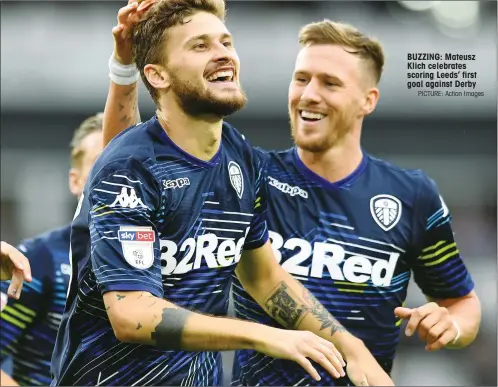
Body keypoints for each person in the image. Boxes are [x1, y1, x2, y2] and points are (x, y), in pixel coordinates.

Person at [104, 4, 481, 386]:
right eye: (301, 79)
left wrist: (451, 326)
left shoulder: (412, 195)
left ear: (368, 100)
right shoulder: (248, 173)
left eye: (329, 83)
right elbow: (132, 159)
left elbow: (463, 304)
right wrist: (123, 67)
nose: (309, 95)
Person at [51, 1, 393, 386]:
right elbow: (131, 313)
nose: (223, 54)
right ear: (158, 75)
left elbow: (263, 277)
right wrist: (262, 335)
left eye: (225, 42)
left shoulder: (241, 156)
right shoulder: (128, 167)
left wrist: (351, 347)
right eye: (200, 46)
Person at [0, 114, 104, 386]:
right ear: (75, 181)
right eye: (100, 165)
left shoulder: (167, 257)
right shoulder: (40, 259)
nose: (114, 177)